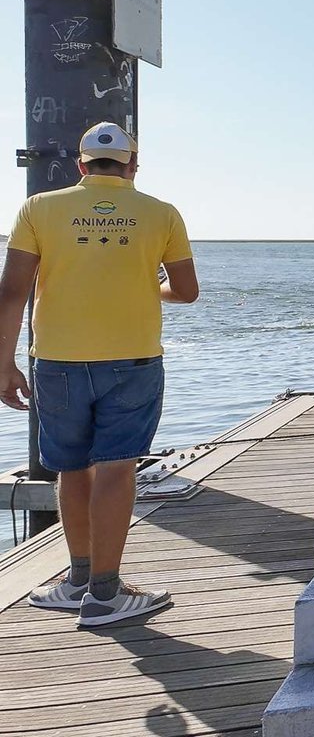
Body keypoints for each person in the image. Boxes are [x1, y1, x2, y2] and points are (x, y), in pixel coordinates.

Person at [0, 122, 199, 627]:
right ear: (133, 165)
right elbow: (187, 291)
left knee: (71, 468)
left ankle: (78, 581)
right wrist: (147, 288)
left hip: (58, 360)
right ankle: (106, 595)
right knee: (116, 467)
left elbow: (12, 291)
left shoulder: (39, 209)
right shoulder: (162, 213)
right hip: (132, 360)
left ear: (80, 165)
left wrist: (3, 362)